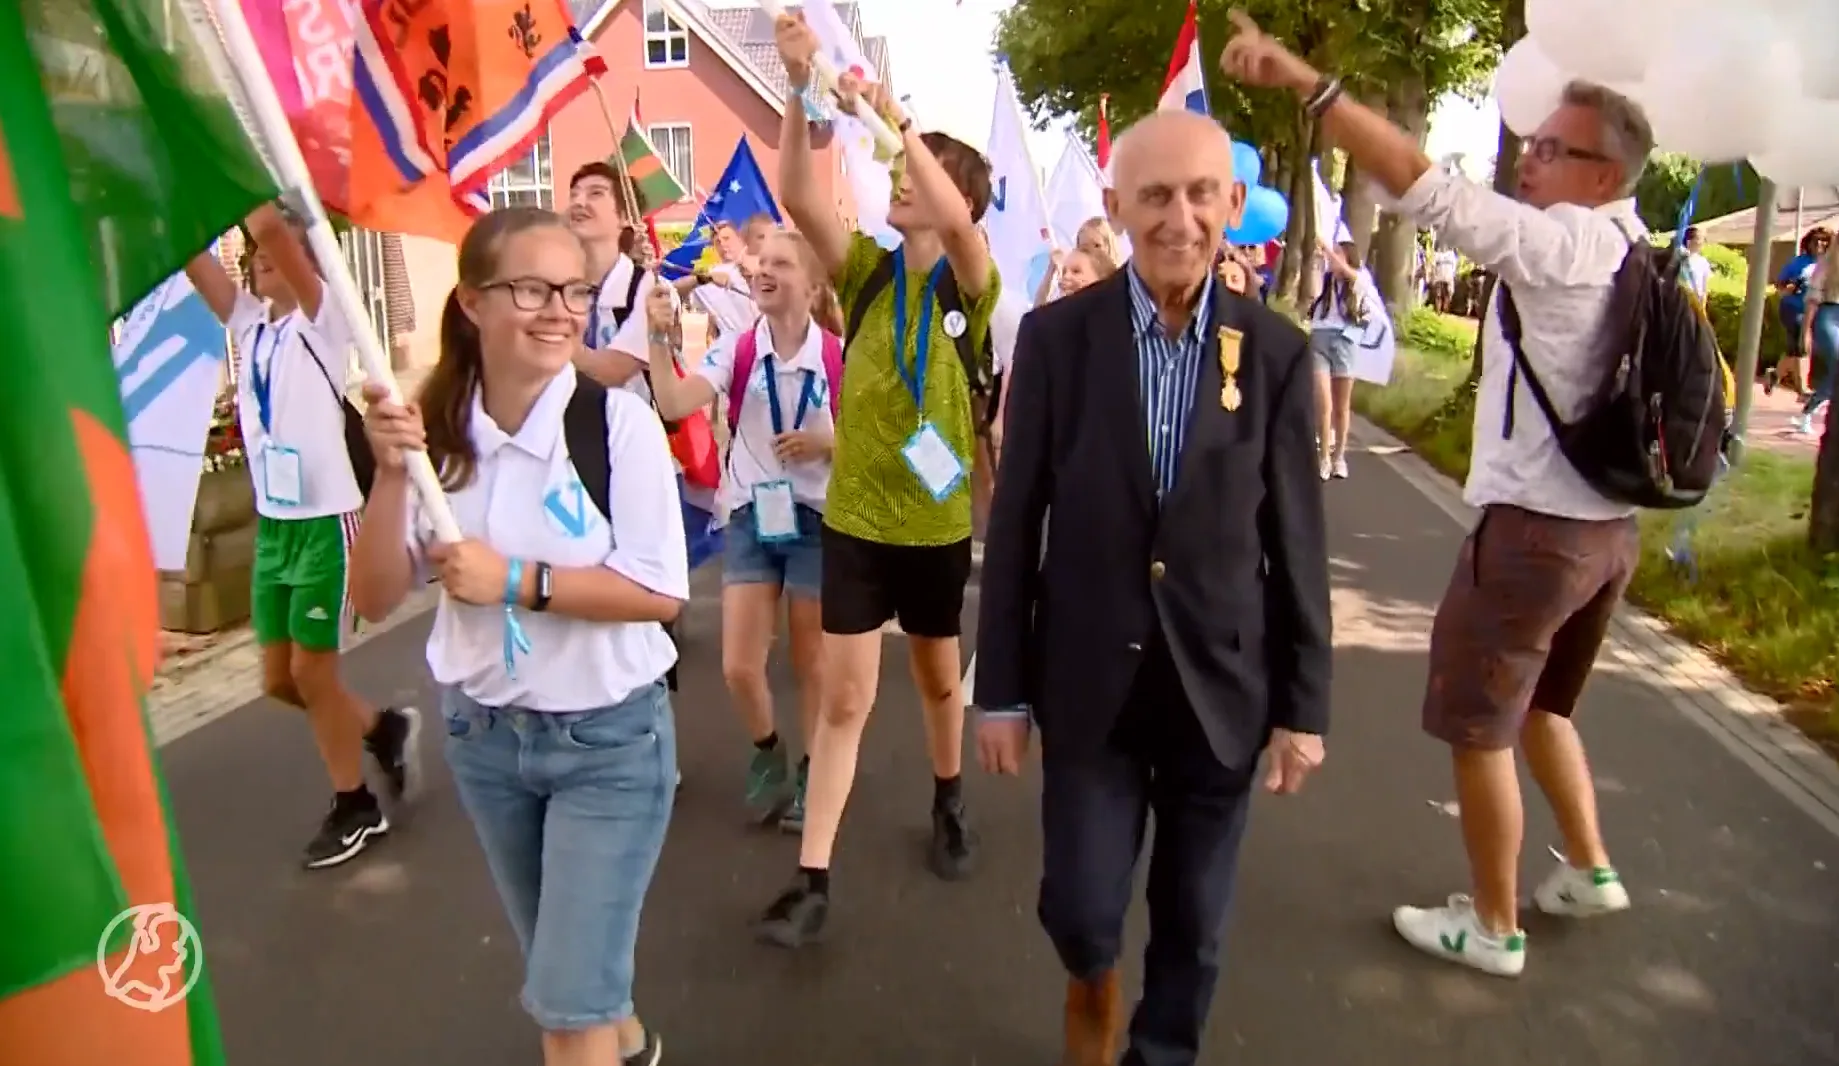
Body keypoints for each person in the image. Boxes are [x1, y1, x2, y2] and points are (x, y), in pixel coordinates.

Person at [1222, 9, 1649, 978]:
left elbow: (1431, 192)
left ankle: (1493, 924)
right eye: (1532, 140)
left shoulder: (1565, 241)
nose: (1529, 157)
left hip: (1536, 537)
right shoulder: (1632, 240)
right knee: (1545, 708)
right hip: (1608, 530)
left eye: (1553, 147)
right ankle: (1588, 865)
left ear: (1603, 177)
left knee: (1477, 724)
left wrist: (1307, 83)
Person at [975, 108, 1332, 1066]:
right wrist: (999, 689)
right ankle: (1092, 986)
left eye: (1201, 193)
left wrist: (1304, 708)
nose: (1180, 217)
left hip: (1221, 692)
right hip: (1091, 687)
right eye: (1156, 195)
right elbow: (1015, 529)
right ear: (1117, 206)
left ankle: (1157, 1053)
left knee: (1193, 926)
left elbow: (1296, 543)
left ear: (1230, 205)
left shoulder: (1276, 354)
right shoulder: (1057, 342)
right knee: (1083, 913)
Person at [347, 207, 685, 1066]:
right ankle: (632, 1044)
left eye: (573, 290)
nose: (557, 309)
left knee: (566, 1010)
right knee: (570, 976)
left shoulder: (616, 427)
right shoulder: (432, 432)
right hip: (484, 737)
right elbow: (376, 595)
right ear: (472, 301)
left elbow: (659, 594)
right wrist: (390, 476)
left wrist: (519, 583)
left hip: (608, 741)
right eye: (530, 288)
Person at [753, 11, 1000, 949]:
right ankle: (811, 879)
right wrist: (795, 88)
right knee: (845, 699)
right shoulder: (861, 273)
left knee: (939, 680)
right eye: (898, 170)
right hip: (854, 519)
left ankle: (947, 799)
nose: (896, 180)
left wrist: (897, 121)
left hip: (935, 526)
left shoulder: (969, 289)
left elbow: (964, 230)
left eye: (913, 174)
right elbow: (795, 193)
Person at [183, 204, 420, 870]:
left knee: (313, 673)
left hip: (326, 521)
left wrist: (250, 188)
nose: (260, 258)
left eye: (274, 251)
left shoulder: (324, 321)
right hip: (276, 528)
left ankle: (356, 807)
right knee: (279, 681)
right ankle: (381, 727)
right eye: (252, 254)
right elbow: (195, 260)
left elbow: (279, 236)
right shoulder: (251, 325)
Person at [644, 230, 842, 830]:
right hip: (752, 516)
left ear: (810, 285)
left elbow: (873, 438)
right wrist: (657, 335)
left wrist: (827, 442)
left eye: (781, 263)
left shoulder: (837, 354)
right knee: (738, 664)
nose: (763, 270)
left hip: (817, 517)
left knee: (812, 662)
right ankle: (768, 749)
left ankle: (813, 770)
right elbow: (675, 401)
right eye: (761, 263)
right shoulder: (736, 347)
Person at [1307, 238, 1380, 480]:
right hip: (1320, 338)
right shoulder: (1325, 279)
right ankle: (1323, 456)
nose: (1332, 258)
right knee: (1323, 401)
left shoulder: (1360, 279)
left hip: (1346, 341)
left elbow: (1351, 275)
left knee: (1341, 405)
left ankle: (1339, 456)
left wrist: (1330, 251)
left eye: (1338, 254)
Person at [1773, 227, 1829, 397]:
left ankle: (1774, 374)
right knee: (1802, 347)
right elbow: (1780, 284)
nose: (1819, 244)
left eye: (1823, 240)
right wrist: (1788, 287)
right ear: (1809, 243)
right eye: (1816, 241)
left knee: (1797, 350)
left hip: (1814, 311)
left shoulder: (1829, 263)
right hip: (1793, 308)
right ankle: (1802, 388)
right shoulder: (1799, 262)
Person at [1794, 236, 1839, 436]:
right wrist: (1805, 333)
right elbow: (1812, 300)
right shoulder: (1827, 263)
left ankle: (1810, 409)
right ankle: (1810, 410)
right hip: (1828, 315)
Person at [1678, 225, 1712, 304]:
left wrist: (1702, 305)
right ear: (1689, 241)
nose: (1702, 242)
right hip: (1681, 302)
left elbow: (1705, 288)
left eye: (1703, 239)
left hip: (1696, 303)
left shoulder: (1703, 262)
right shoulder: (1679, 258)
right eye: (1699, 238)